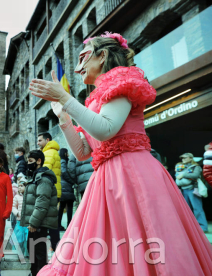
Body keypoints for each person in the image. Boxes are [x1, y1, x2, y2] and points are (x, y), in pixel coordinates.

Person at [29, 32, 212, 275]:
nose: (77, 68)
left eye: (83, 57)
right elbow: (84, 152)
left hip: (133, 177)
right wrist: (63, 117)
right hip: (106, 182)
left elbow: (105, 129)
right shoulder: (96, 97)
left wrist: (65, 97)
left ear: (102, 56)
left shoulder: (123, 81)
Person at [20, 150, 58, 276]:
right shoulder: (36, 176)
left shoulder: (43, 178)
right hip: (36, 222)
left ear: (39, 161)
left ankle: (40, 273)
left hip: (40, 222)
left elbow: (42, 202)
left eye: (30, 161)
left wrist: (34, 222)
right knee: (32, 250)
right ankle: (34, 272)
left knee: (39, 253)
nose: (28, 164)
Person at [37, 132, 61, 251]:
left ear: (47, 140)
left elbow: (44, 171)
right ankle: (54, 244)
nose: (38, 143)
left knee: (49, 221)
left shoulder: (48, 153)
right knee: (52, 220)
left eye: (40, 140)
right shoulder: (51, 151)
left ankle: (55, 245)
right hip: (54, 190)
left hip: (49, 191)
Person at [175, 153, 208, 232]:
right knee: (186, 209)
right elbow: (176, 175)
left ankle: (203, 227)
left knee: (197, 208)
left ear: (190, 158)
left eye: (185, 158)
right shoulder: (180, 167)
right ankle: (189, 227)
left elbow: (195, 175)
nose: (183, 159)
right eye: (182, 158)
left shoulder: (196, 167)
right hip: (183, 190)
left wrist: (183, 174)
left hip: (192, 189)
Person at [58, 148, 75, 231]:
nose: (68, 155)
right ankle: (69, 225)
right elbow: (64, 172)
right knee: (69, 206)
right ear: (64, 153)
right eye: (67, 153)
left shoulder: (61, 161)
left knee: (62, 206)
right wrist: (72, 181)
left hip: (63, 186)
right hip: (66, 186)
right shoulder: (63, 161)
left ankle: (59, 225)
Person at [11, 180, 29, 257]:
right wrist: (17, 213)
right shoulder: (16, 197)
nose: (20, 188)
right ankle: (20, 253)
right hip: (19, 221)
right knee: (19, 239)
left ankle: (27, 253)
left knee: (27, 238)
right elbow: (13, 207)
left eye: (22, 186)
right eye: (19, 186)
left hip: (27, 221)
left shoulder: (29, 197)